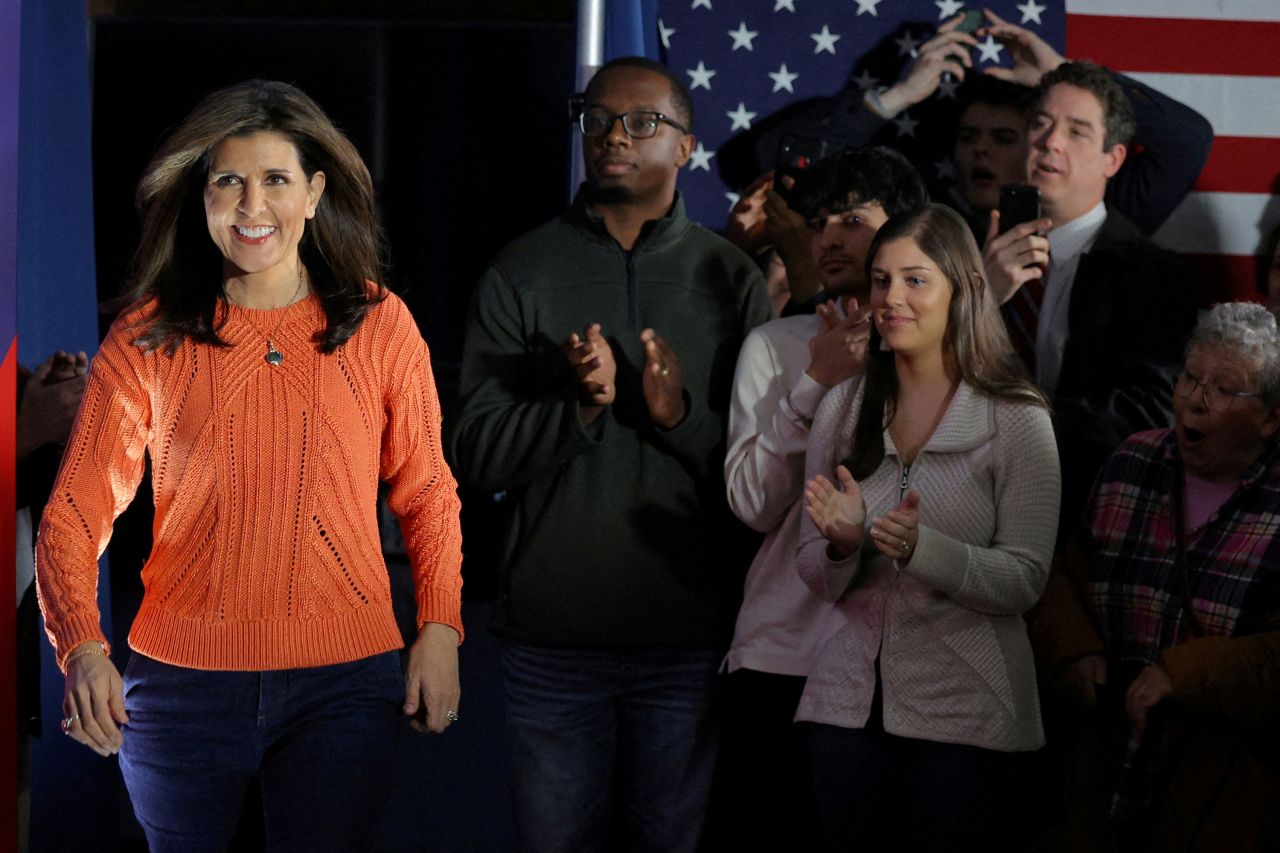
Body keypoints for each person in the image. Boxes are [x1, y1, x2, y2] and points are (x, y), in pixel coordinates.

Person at [35, 80, 464, 852]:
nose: (249, 204)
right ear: (201, 196)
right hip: (179, 689)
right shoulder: (148, 337)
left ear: (314, 193)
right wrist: (84, 647)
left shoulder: (378, 324)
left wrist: (438, 627)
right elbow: (71, 514)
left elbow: (429, 492)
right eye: (227, 181)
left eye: (274, 180)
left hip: (344, 680)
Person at [450, 56, 771, 852]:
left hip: (689, 638)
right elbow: (475, 455)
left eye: (639, 122)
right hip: (551, 644)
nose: (612, 136)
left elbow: (767, 475)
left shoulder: (730, 278)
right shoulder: (522, 270)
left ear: (687, 146)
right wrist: (581, 406)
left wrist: (677, 416)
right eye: (595, 119)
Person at [796, 203, 1060, 852]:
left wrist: (921, 548)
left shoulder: (1018, 418)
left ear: (962, 291)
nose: (891, 298)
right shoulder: (841, 408)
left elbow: (1024, 581)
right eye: (881, 280)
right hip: (844, 711)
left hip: (971, 719)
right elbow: (816, 577)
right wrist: (842, 543)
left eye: (915, 279)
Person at [716, 146, 926, 848]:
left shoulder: (944, 356)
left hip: (894, 667)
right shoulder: (776, 346)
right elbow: (751, 503)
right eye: (820, 221)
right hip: (780, 660)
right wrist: (814, 384)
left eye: (855, 217)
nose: (831, 235)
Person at [1028, 302, 1280, 853]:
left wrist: (1183, 675)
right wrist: (1075, 653)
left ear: (1270, 418)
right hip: (1101, 763)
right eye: (1190, 376)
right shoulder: (1130, 463)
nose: (1194, 398)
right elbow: (1063, 577)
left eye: (1223, 389)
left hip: (1219, 790)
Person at [983, 60, 1197, 535]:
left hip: (1088, 522)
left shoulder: (1150, 272)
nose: (1050, 141)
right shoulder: (974, 253)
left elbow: (1150, 410)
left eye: (1077, 131)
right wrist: (979, 297)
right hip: (966, 511)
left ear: (1113, 160)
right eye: (1040, 124)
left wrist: (1012, 421)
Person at [867, 9, 1212, 240]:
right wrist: (897, 96)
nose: (981, 149)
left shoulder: (1100, 222)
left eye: (1004, 138)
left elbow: (1187, 140)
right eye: (969, 136)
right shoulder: (925, 232)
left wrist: (1064, 76)